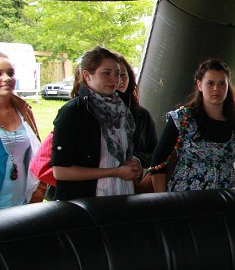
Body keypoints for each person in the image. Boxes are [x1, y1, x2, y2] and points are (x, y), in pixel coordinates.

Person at [149, 58, 235, 192]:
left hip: (223, 203)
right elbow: (158, 162)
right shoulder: (182, 118)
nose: (216, 88)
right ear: (200, 85)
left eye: (222, 83)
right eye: (210, 83)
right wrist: (162, 200)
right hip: (182, 200)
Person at [51, 46, 143, 201]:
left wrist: (134, 162)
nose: (115, 80)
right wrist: (115, 171)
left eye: (118, 74)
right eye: (106, 73)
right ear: (87, 75)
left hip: (121, 193)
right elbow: (60, 171)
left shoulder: (124, 108)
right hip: (86, 202)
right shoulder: (73, 111)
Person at [0, 53, 44, 207]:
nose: (6, 78)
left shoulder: (23, 110)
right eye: (0, 73)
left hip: (22, 202)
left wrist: (38, 192)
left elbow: (38, 154)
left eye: (10, 73)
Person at [114, 53, 158, 171]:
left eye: (122, 75)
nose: (118, 80)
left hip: (130, 184)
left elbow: (155, 154)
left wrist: (135, 159)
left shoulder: (141, 115)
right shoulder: (82, 112)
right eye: (108, 74)